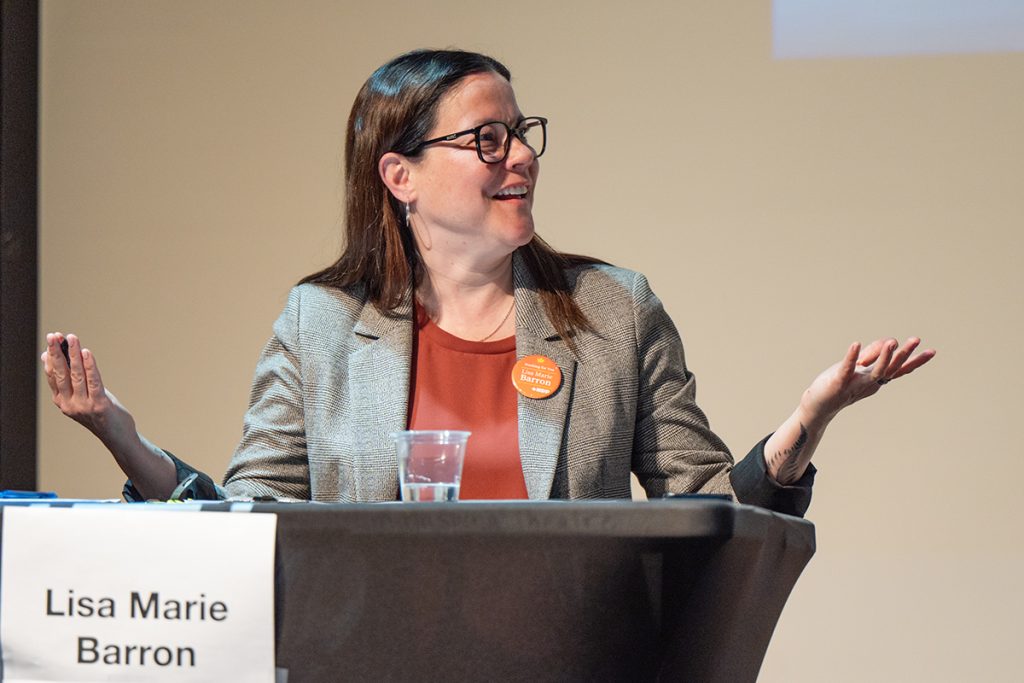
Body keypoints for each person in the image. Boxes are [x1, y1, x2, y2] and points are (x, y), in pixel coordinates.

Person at [41, 49, 934, 514]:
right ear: (401, 177)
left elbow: (704, 517)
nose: (521, 158)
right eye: (488, 140)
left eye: (522, 131)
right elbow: (254, 524)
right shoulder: (320, 323)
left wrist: (805, 424)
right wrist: (126, 439)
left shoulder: (614, 310)